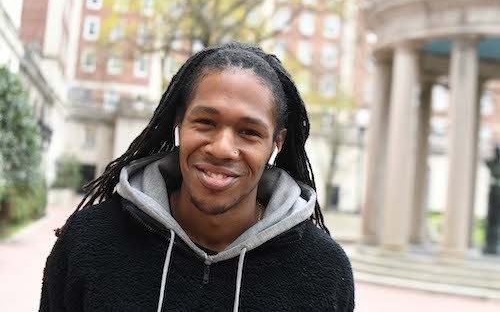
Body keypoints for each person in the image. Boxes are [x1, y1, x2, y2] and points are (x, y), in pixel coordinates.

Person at [40, 42, 355, 311]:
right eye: (206, 122)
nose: (222, 148)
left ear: (277, 142)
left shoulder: (324, 270)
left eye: (249, 132)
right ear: (179, 123)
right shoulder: (89, 241)